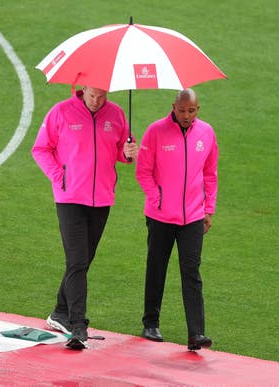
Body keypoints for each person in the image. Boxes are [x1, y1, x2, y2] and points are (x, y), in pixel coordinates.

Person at [31, 86, 138, 350]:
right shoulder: (61, 112)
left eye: (101, 96)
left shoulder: (117, 115)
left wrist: (127, 154)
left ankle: (59, 312)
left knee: (82, 260)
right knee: (77, 261)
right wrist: (60, 177)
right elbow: (41, 149)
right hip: (69, 199)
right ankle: (79, 326)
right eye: (92, 96)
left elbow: (119, 151)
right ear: (83, 90)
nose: (96, 101)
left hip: (101, 198)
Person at [135, 88, 218, 351]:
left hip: (192, 217)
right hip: (160, 216)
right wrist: (156, 197)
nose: (185, 115)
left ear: (198, 109)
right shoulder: (155, 132)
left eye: (191, 111)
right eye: (181, 110)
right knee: (156, 266)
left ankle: (196, 334)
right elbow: (143, 171)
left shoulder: (206, 133)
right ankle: (150, 323)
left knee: (191, 272)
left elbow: (210, 174)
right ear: (173, 107)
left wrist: (208, 209)